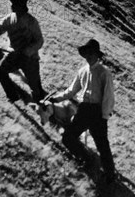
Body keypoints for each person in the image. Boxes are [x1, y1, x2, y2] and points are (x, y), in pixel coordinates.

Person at [49, 38, 116, 183]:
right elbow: (71, 90)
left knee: (102, 144)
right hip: (84, 109)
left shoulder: (104, 72)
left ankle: (110, 175)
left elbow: (108, 96)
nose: (89, 56)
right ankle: (86, 159)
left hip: (98, 112)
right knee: (68, 137)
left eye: (92, 53)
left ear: (98, 55)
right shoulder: (82, 71)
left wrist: (104, 116)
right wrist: (57, 99)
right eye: (87, 53)